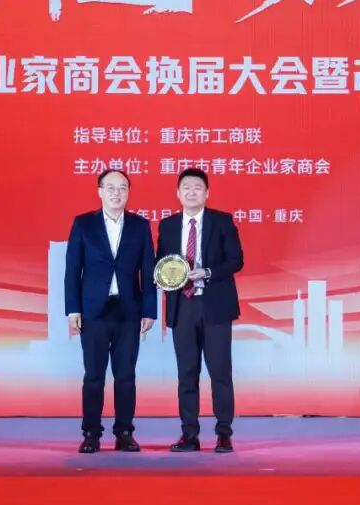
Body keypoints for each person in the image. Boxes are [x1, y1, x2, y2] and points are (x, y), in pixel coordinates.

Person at [64, 170, 156, 453]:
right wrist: (73, 309)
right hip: (93, 310)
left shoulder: (140, 226)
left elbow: (148, 271)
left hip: (128, 310)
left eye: (123, 188)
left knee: (125, 375)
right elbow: (72, 270)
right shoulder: (84, 224)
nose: (117, 193)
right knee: (94, 375)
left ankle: (124, 432)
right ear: (100, 191)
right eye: (111, 188)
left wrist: (149, 310)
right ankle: (91, 433)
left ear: (129, 192)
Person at [157, 168, 243, 453]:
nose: (191, 192)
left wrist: (206, 272)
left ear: (207, 193)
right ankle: (189, 435)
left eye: (197, 187)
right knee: (187, 373)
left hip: (215, 306)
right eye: (186, 187)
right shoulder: (168, 225)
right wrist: (166, 276)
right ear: (177, 193)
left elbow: (236, 260)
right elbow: (160, 262)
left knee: (220, 372)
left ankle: (224, 434)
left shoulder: (222, 221)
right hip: (182, 306)